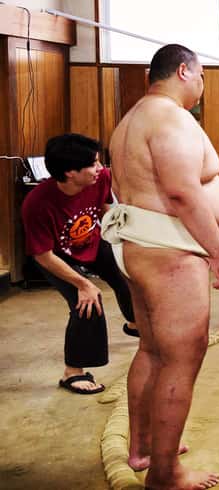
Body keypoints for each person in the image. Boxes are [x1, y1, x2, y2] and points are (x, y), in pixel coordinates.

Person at [103, 43, 219, 489]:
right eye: (201, 76)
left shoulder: (132, 119)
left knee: (153, 350)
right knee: (182, 356)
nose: (202, 86)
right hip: (169, 250)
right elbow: (181, 191)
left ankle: (144, 448)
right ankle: (164, 474)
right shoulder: (171, 118)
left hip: (139, 244)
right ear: (183, 71)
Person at [21, 133, 138, 395]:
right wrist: (83, 284)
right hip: (56, 256)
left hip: (92, 241)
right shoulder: (36, 204)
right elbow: (43, 255)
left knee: (129, 271)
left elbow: (104, 205)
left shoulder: (100, 178)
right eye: (93, 164)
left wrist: (121, 238)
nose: (100, 168)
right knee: (87, 301)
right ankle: (72, 372)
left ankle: (135, 324)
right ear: (70, 173)